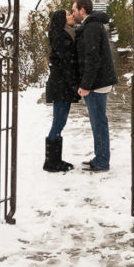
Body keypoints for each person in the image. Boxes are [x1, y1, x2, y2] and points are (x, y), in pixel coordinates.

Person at [72, 0, 117, 172]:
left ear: (83, 10)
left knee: (99, 122)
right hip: (99, 81)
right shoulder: (93, 25)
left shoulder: (91, 28)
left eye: (74, 10)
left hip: (97, 83)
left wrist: (86, 85)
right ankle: (100, 157)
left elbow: (92, 58)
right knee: (98, 121)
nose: (73, 13)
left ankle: (102, 161)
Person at [43, 9, 78, 172]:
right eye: (68, 15)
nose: (72, 16)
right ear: (62, 20)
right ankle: (51, 162)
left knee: (60, 121)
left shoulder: (66, 34)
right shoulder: (61, 38)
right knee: (59, 121)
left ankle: (55, 159)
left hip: (62, 85)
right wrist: (74, 85)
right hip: (60, 86)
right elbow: (67, 65)